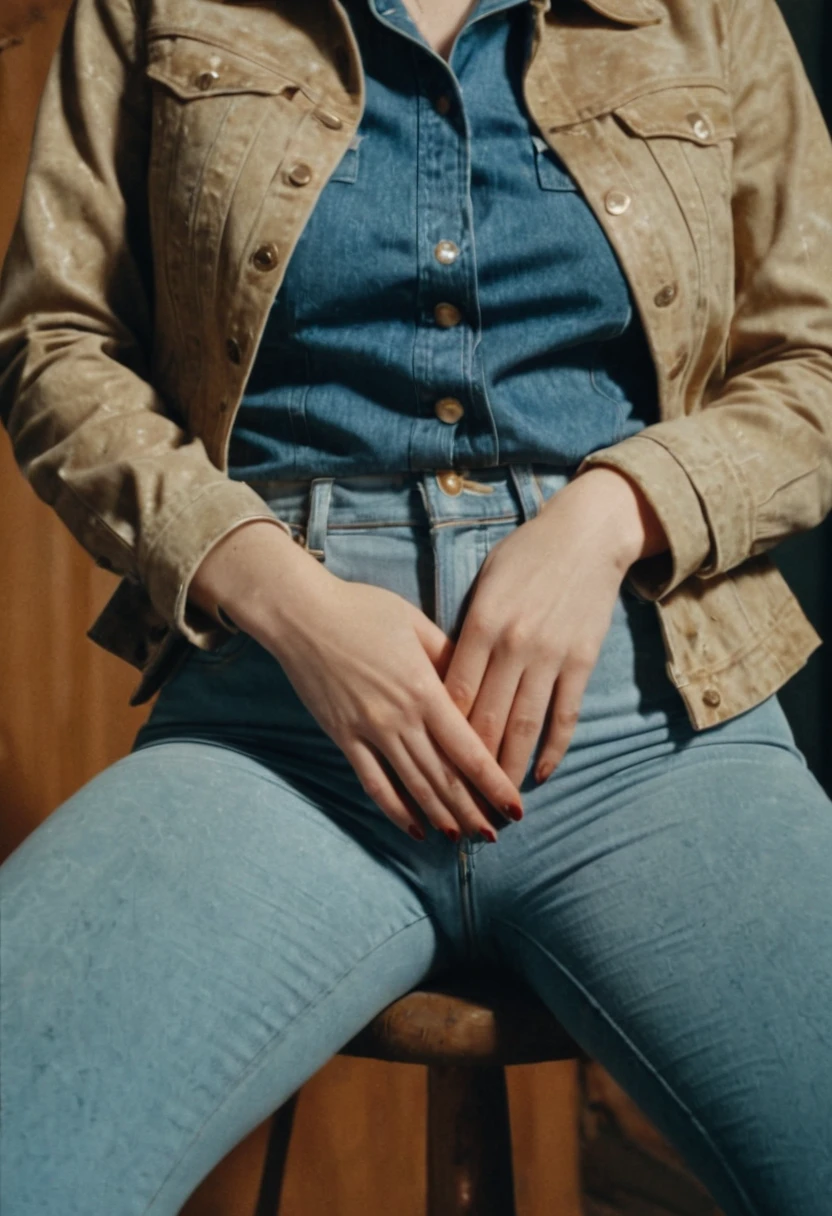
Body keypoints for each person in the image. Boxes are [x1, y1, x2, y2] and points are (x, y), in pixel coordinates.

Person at [1, 0, 831, 1211]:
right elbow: (55, 345)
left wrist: (605, 521)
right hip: (275, 731)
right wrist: (284, 597)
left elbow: (813, 361)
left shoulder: (708, 13)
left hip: (650, 726)